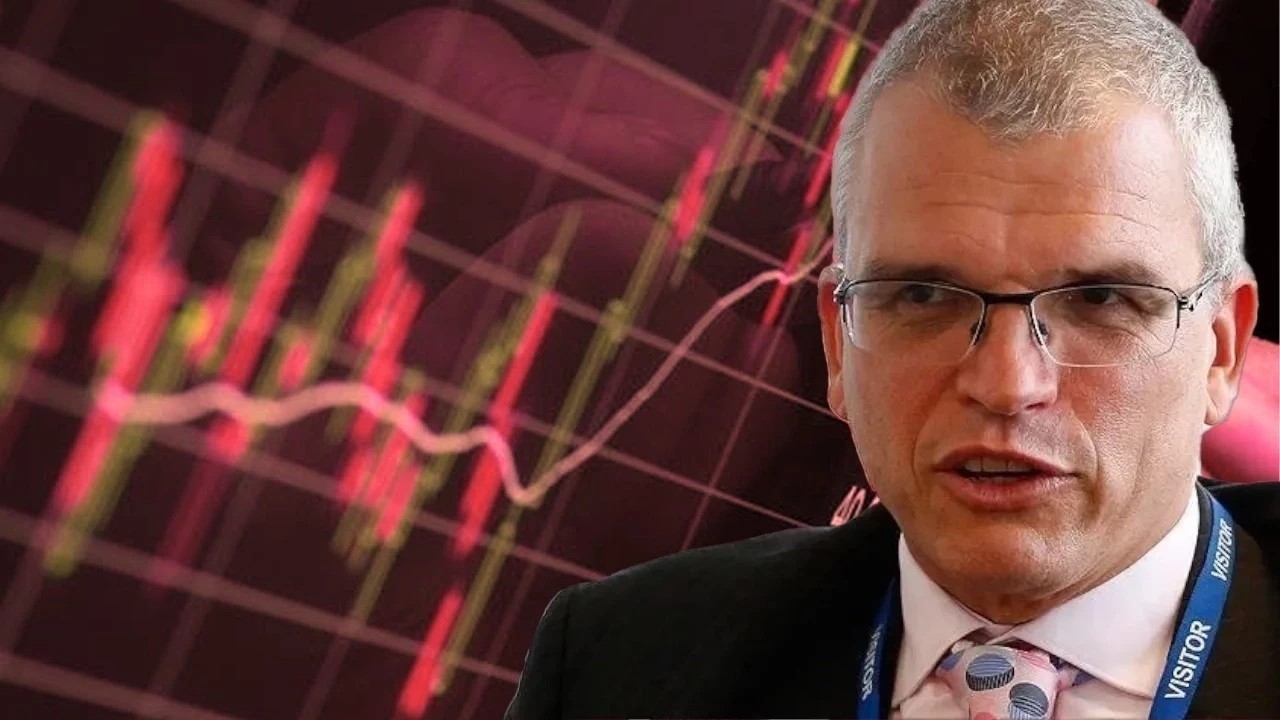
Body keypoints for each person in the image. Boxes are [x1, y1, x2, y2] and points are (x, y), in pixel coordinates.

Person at [504, 0, 1280, 717]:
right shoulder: (616, 666)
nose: (1007, 384)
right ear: (838, 344)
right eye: (923, 296)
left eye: (1100, 300)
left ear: (1221, 351)